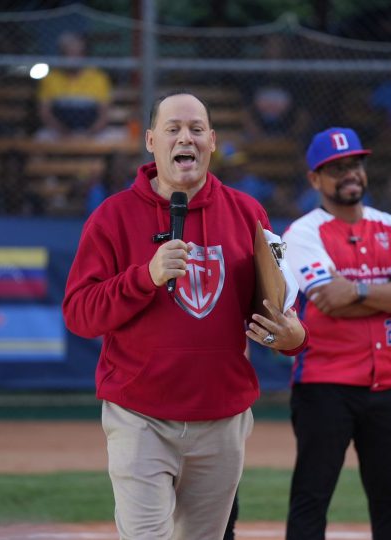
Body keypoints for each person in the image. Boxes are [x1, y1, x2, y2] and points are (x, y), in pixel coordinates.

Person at [62, 92, 307, 539]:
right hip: (140, 416)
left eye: (196, 128)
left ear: (212, 141)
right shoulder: (111, 217)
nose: (185, 138)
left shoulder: (249, 213)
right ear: (152, 141)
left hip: (222, 419)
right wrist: (145, 276)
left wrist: (292, 337)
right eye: (173, 129)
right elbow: (80, 315)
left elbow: (276, 310)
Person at [282, 127, 391, 540]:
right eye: (336, 168)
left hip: (390, 386)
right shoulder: (303, 232)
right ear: (315, 179)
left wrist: (360, 289)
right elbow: (328, 300)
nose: (350, 174)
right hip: (324, 384)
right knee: (312, 498)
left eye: (355, 165)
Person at [36, 31, 116, 141]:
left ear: (84, 55)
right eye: (68, 53)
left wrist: (88, 134)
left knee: (115, 140)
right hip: (58, 132)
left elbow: (104, 115)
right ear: (62, 55)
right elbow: (45, 114)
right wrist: (64, 134)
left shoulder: (98, 77)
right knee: (41, 138)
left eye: (77, 54)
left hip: (93, 132)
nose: (73, 59)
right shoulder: (51, 78)